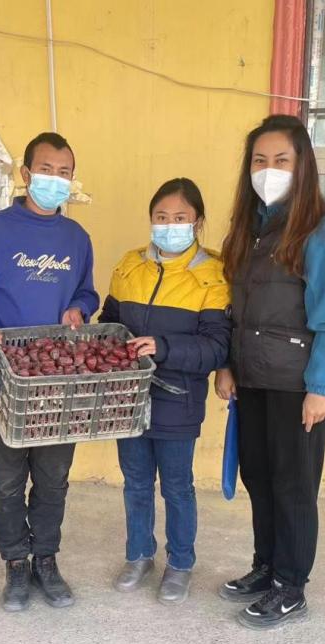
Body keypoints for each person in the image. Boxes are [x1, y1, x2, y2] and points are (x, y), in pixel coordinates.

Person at [0, 132, 99, 612]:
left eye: (65, 172)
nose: (55, 179)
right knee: (6, 481)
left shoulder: (76, 239)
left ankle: (45, 559)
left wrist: (78, 308)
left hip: (60, 384)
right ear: (26, 174)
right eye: (46, 170)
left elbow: (87, 293)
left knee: (53, 478)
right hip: (6, 382)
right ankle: (14, 562)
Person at [214, 114, 325, 629]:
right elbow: (236, 309)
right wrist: (229, 365)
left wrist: (323, 388)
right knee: (259, 477)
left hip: (300, 385)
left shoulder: (324, 230)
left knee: (293, 485)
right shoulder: (250, 230)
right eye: (259, 160)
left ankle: (291, 585)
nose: (268, 170)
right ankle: (266, 566)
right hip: (254, 379)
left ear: (303, 166)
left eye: (281, 160)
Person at [99, 178, 230, 604]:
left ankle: (181, 563)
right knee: (136, 482)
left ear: (197, 222)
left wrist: (163, 347)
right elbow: (109, 322)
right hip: (127, 399)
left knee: (177, 486)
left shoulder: (212, 274)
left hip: (178, 398)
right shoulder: (129, 265)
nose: (169, 225)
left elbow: (216, 347)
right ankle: (139, 556)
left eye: (180, 218)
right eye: (161, 217)